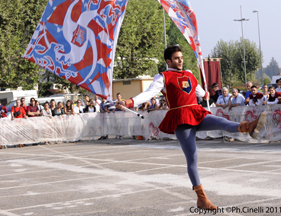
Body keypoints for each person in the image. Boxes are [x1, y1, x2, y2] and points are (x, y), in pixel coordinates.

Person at [116, 45, 266, 210]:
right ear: (168, 61)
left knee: (221, 122)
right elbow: (149, 94)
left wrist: (205, 94)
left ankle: (248, 127)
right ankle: (201, 198)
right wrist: (129, 102)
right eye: (176, 58)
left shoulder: (188, 73)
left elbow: (199, 92)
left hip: (196, 112)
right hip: (180, 118)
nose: (180, 60)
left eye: (181, 57)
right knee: (192, 158)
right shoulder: (162, 77)